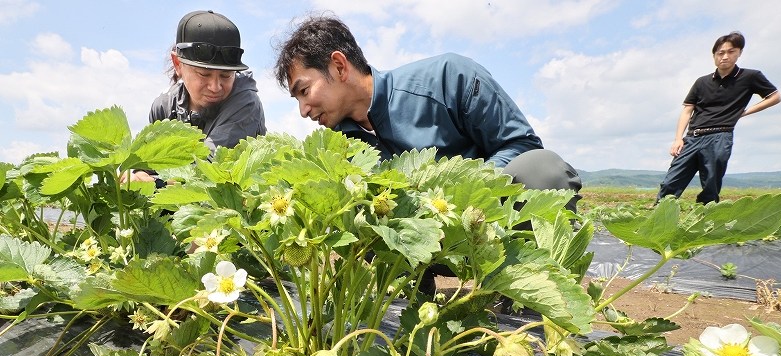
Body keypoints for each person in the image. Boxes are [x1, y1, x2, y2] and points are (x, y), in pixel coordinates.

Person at [272, 14, 582, 211]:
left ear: (339, 66)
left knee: (545, 170)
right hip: (419, 240)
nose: (303, 111)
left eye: (304, 91)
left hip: (486, 217)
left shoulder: (449, 77)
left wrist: (464, 189)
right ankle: (408, 290)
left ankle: (520, 289)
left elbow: (522, 145)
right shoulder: (339, 144)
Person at [126, 10, 266, 184]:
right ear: (177, 64)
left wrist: (153, 183)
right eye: (204, 74)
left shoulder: (245, 104)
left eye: (226, 75)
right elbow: (145, 166)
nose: (215, 87)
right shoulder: (164, 107)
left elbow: (209, 175)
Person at [655, 31, 780, 205]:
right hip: (693, 136)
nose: (725, 57)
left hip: (720, 135)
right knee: (671, 182)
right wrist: (678, 139)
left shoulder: (750, 77)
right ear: (714, 56)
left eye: (731, 52)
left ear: (739, 53)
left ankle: (703, 221)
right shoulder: (702, 82)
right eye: (720, 53)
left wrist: (745, 111)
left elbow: (775, 97)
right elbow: (687, 110)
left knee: (711, 185)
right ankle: (657, 218)